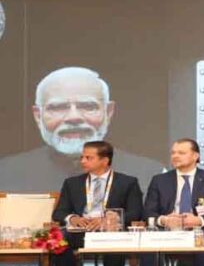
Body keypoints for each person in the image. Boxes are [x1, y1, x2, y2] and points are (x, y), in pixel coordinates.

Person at [0, 67, 164, 191]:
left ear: (108, 112)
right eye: (58, 107)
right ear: (38, 115)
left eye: (88, 106)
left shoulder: (150, 175)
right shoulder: (5, 174)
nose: (74, 117)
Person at [51, 141, 143, 266]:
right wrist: (73, 218)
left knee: (116, 241)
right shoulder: (72, 183)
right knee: (59, 241)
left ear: (105, 160)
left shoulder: (127, 182)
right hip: (82, 231)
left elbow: (135, 212)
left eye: (89, 158)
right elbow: (59, 213)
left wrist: (110, 220)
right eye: (82, 157)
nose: (83, 161)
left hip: (109, 231)